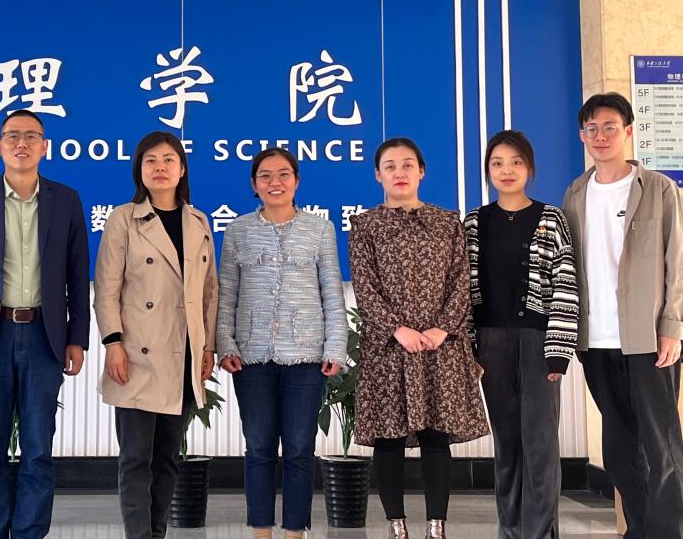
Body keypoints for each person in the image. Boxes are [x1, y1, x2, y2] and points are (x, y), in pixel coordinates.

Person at [0, 109, 90, 539]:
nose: (21, 143)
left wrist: (77, 337)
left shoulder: (66, 200)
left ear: (45, 146)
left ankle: (30, 532)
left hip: (45, 337)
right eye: (12, 136)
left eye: (31, 136)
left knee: (39, 449)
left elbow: (78, 273)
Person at [561, 92, 683, 539]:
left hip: (646, 339)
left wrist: (672, 326)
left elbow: (679, 263)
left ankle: (665, 533)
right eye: (591, 129)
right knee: (618, 449)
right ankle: (639, 530)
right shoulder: (575, 193)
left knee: (660, 446)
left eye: (610, 127)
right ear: (582, 136)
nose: (600, 136)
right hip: (594, 340)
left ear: (629, 131)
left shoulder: (657, 189)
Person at [349, 137, 488, 539]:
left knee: (436, 436)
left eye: (408, 164)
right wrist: (398, 329)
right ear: (378, 175)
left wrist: (441, 329)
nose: (400, 172)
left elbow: (461, 282)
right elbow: (365, 287)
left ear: (421, 172)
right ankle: (397, 526)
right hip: (388, 347)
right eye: (390, 166)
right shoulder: (365, 226)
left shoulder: (447, 223)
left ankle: (436, 526)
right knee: (388, 437)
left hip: (438, 346)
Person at [216, 147, 348, 539]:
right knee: (258, 448)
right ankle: (261, 531)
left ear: (297, 181)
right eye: (266, 176)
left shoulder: (320, 229)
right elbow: (227, 293)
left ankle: (294, 532)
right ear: (254, 185)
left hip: (307, 355)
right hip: (251, 356)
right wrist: (226, 343)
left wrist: (335, 347)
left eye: (284, 174)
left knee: (299, 449)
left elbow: (332, 292)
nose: (275, 182)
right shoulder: (237, 230)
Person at [94, 131, 218, 539]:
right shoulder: (123, 219)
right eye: (151, 160)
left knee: (167, 458)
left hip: (183, 355)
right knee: (135, 459)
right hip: (135, 354)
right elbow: (106, 287)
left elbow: (209, 292)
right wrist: (112, 342)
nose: (160, 167)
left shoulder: (198, 222)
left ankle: (156, 533)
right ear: (140, 170)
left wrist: (208, 347)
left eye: (168, 160)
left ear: (182, 169)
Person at [464, 130, 579, 539]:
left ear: (529, 167)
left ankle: (541, 533)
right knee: (507, 443)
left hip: (538, 342)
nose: (506, 170)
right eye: (497, 163)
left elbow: (565, 283)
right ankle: (510, 530)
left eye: (515, 162)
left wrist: (558, 350)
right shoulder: (475, 222)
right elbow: (462, 291)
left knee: (541, 443)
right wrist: (469, 350)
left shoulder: (551, 218)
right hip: (491, 344)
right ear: (488, 171)